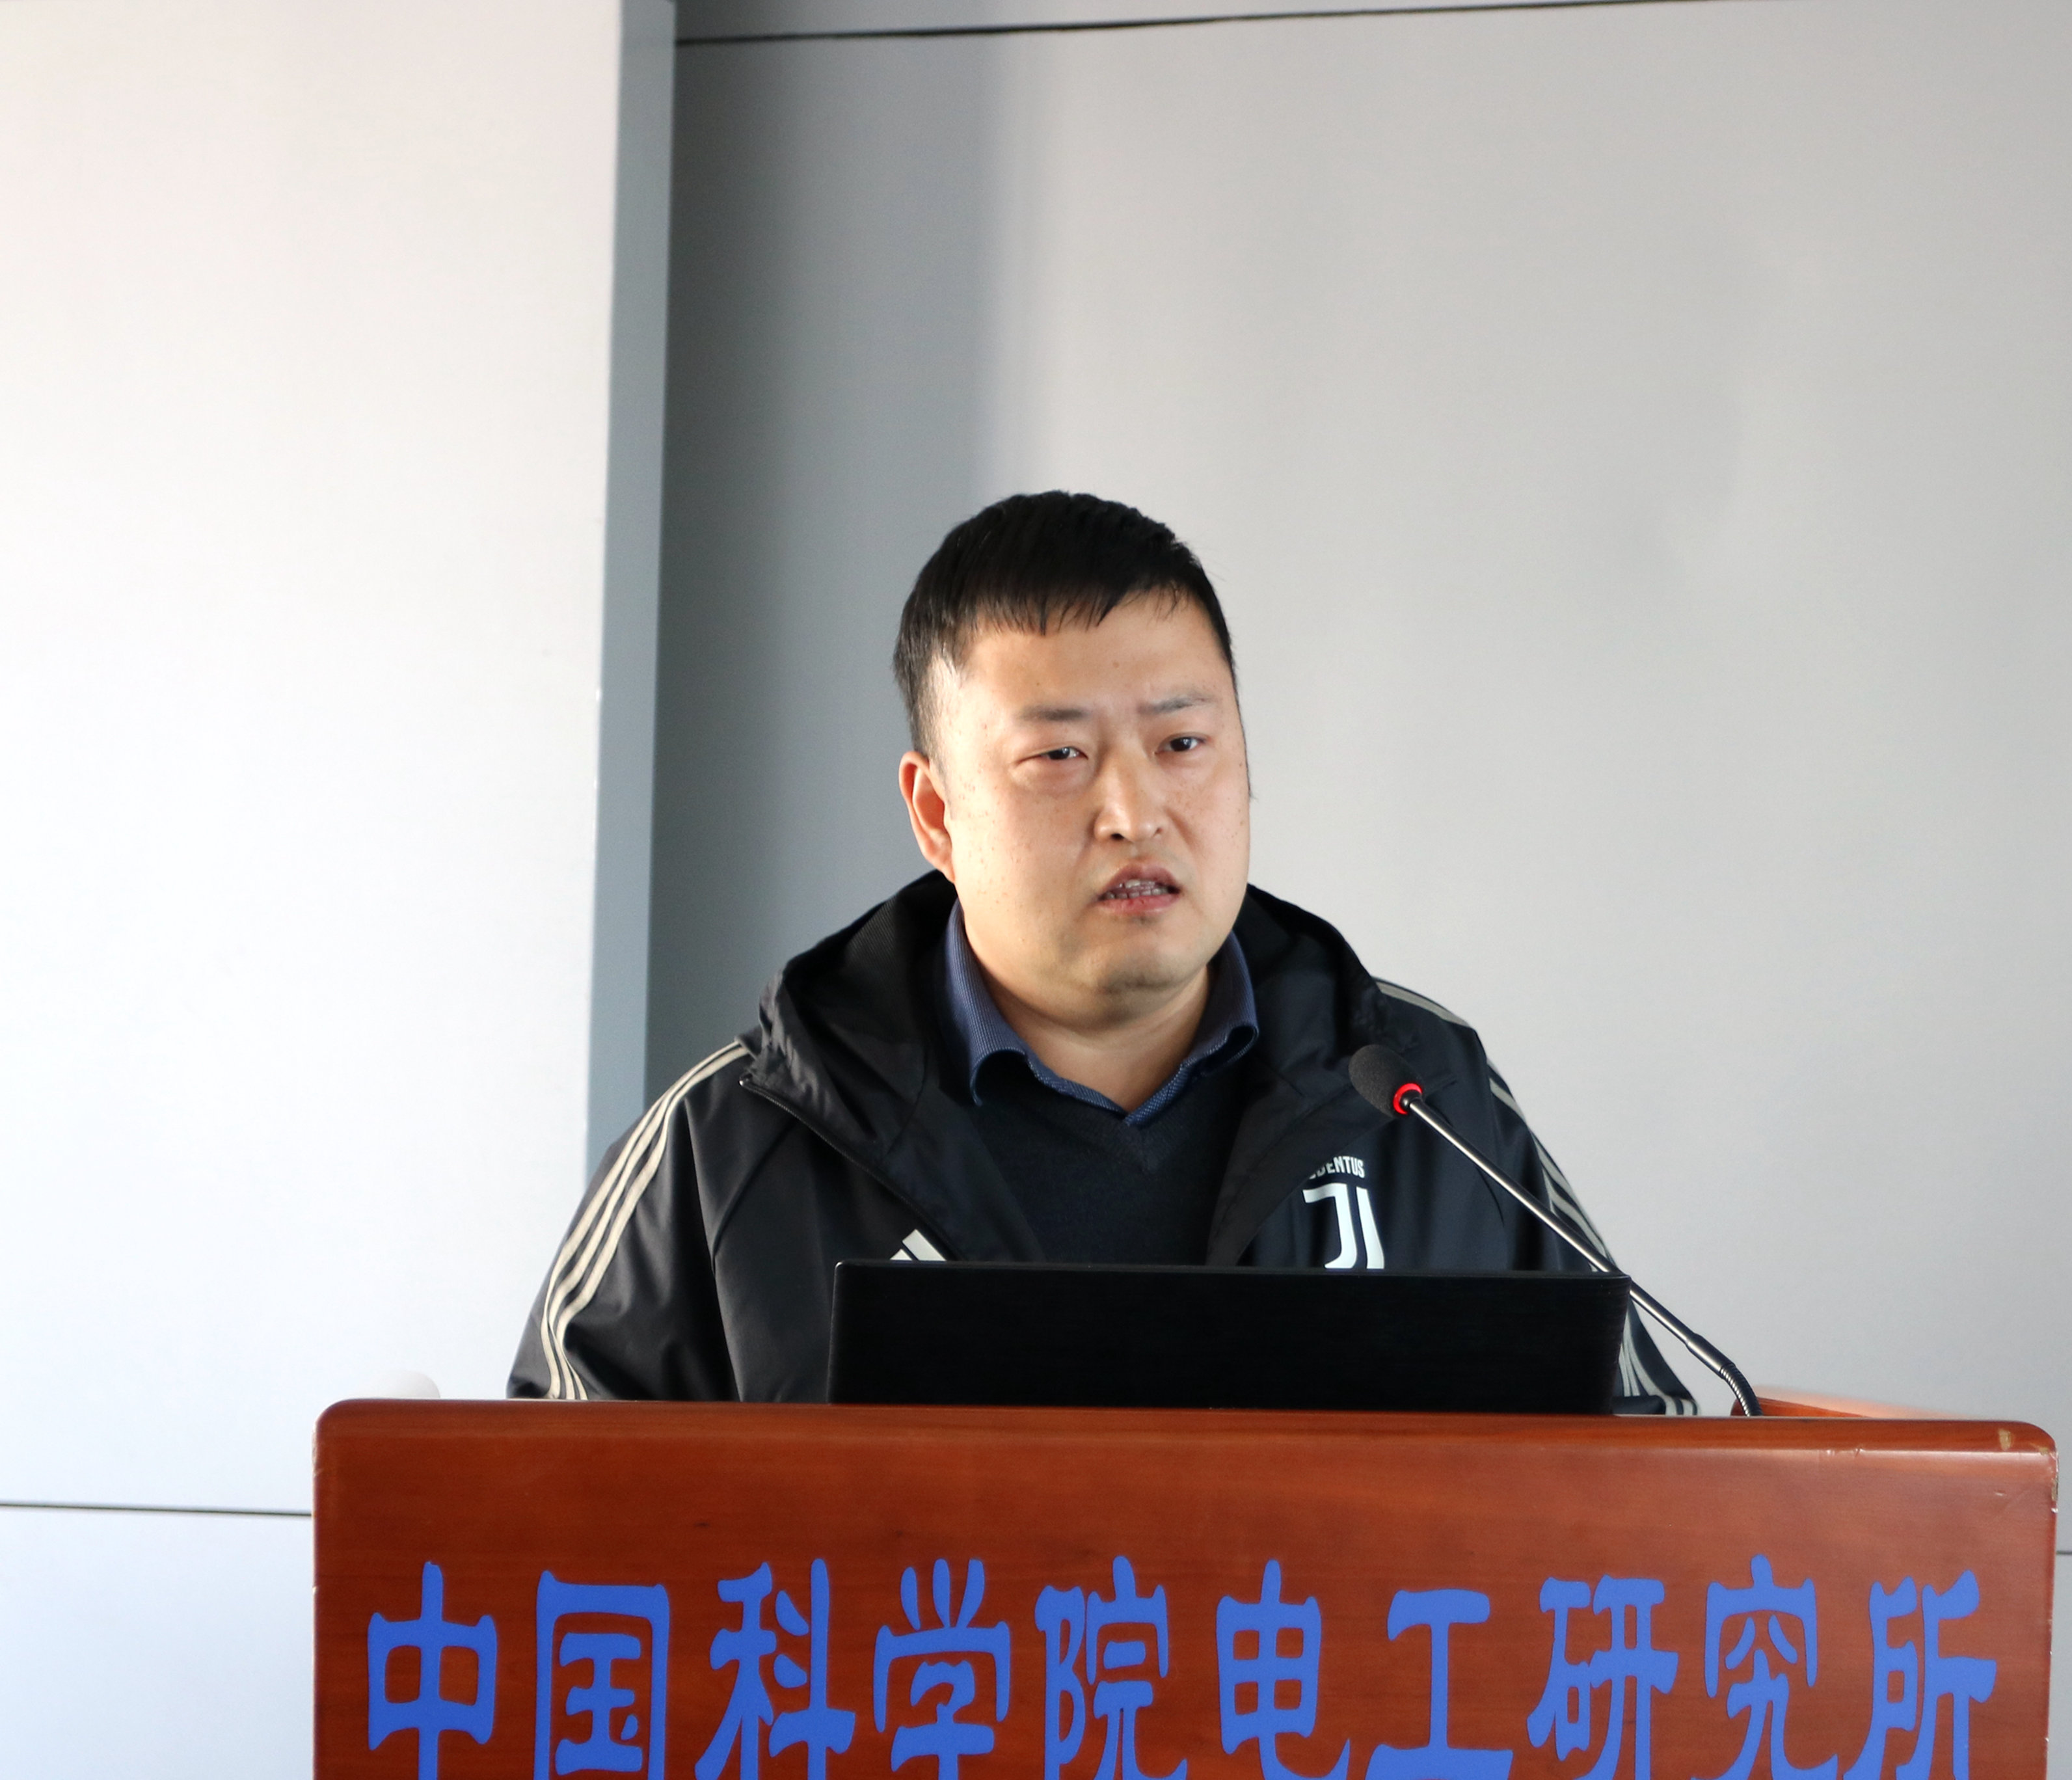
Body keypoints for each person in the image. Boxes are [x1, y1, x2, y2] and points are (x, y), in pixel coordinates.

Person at [510, 491, 1708, 1411]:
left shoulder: (1416, 1093)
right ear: (935, 812)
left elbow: (1648, 1476)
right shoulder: (734, 1142)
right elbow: (543, 1552)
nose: (1134, 812)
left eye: (1182, 745)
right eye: (1059, 757)